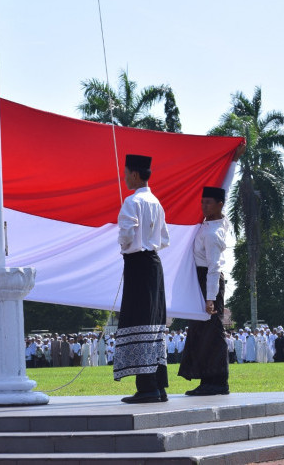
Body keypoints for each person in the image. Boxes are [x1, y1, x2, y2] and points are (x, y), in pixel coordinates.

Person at [178, 142, 242, 396]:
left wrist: (210, 299)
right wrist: (233, 162)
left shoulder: (215, 232)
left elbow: (214, 268)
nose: (202, 206)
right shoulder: (212, 220)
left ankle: (216, 382)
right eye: (202, 201)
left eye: (207, 202)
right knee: (199, 331)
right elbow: (224, 186)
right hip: (200, 280)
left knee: (211, 333)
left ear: (219, 205)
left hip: (208, 281)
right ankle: (206, 379)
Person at [114, 154, 170, 404]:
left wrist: (125, 245)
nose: (124, 177)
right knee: (154, 323)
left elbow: (126, 235)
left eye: (126, 173)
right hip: (154, 264)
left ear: (135, 174)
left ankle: (146, 387)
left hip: (137, 264)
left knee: (139, 321)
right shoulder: (156, 202)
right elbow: (165, 238)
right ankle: (158, 385)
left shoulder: (132, 201)